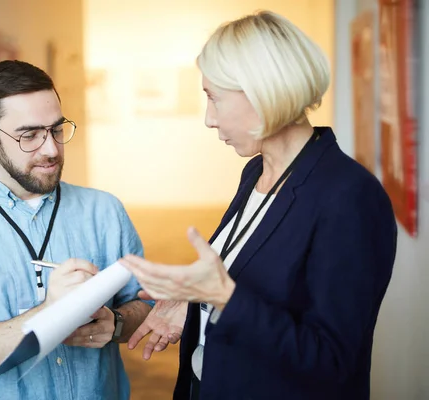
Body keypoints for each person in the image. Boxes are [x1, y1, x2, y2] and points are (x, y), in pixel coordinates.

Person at [122, 10, 397, 400]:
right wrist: (195, 303)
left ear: (261, 91)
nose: (208, 119)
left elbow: (332, 361)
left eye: (214, 99)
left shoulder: (349, 196)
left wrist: (223, 297)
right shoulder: (257, 172)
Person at [0, 60, 152, 400]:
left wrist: (117, 323)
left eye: (57, 130)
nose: (51, 149)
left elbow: (145, 305)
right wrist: (52, 312)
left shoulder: (105, 210)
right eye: (29, 135)